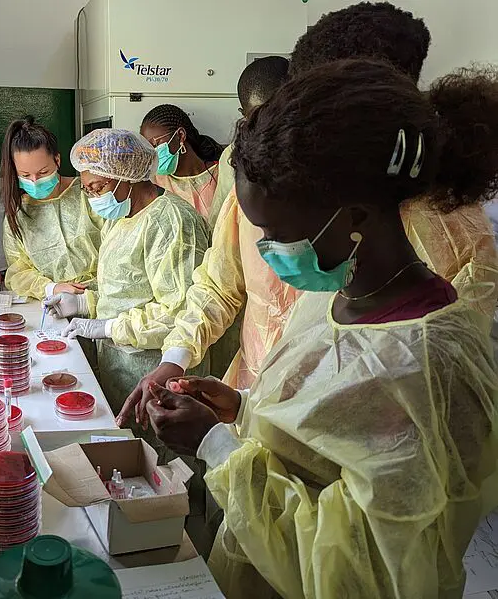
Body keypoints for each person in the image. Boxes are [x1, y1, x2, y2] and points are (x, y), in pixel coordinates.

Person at [145, 59, 498, 599]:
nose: (267, 250)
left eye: (277, 232)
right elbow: (319, 442)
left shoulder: (429, 364)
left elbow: (362, 574)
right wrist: (242, 411)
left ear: (354, 215)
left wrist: (215, 447)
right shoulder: (332, 297)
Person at [118, 0, 498, 428]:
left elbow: (399, 423)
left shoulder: (444, 248)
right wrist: (186, 365)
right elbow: (221, 283)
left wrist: (227, 439)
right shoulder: (274, 184)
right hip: (262, 400)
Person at [43, 128, 210, 414]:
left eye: (97, 188)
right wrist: (84, 301)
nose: (93, 198)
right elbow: (123, 286)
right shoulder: (122, 216)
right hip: (120, 365)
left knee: (160, 454)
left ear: (127, 177)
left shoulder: (172, 223)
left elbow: (180, 313)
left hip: (157, 371)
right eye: (87, 189)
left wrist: (109, 326)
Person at [0, 116, 103, 302]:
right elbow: (18, 272)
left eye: (43, 172)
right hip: (55, 302)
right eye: (25, 175)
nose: (35, 181)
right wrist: (52, 288)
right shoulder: (18, 215)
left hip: (104, 295)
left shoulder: (89, 192)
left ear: (57, 160)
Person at [211, 55, 290, 228]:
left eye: (275, 113)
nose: (267, 125)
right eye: (257, 117)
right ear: (243, 114)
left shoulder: (315, 148)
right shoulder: (232, 157)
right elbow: (219, 220)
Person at [140, 104, 224, 223]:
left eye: (156, 144)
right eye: (148, 147)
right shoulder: (154, 183)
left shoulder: (221, 176)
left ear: (180, 136)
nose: (153, 153)